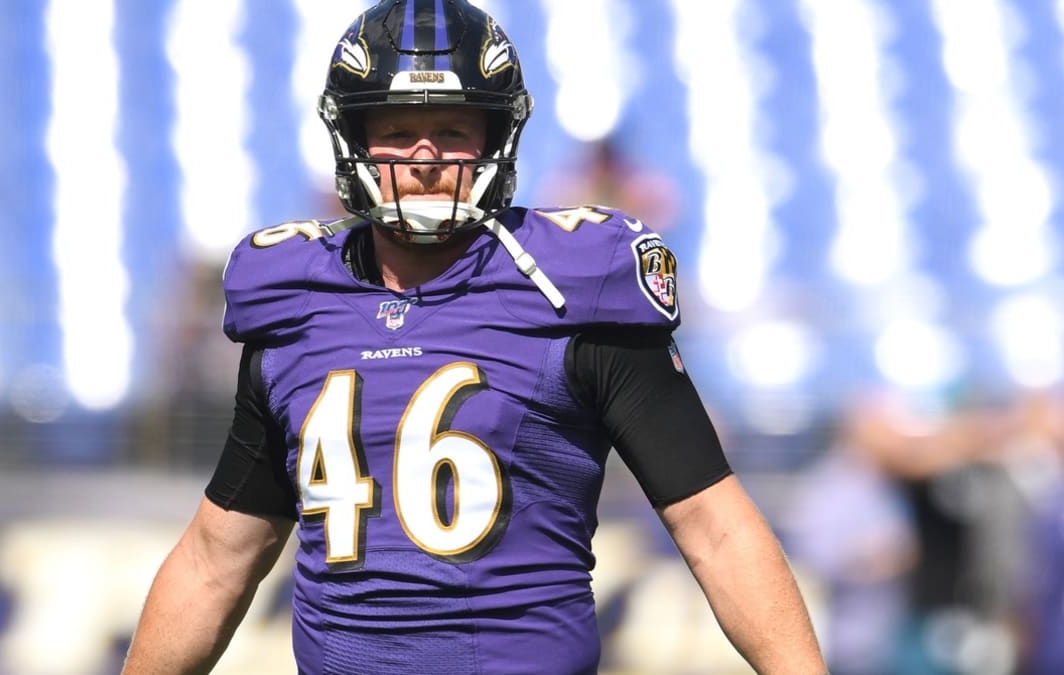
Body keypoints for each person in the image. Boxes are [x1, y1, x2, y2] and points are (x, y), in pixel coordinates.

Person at [122, 2, 826, 673]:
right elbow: (219, 556)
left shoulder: (571, 290)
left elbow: (713, 523)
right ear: (354, 138)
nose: (426, 156)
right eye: (398, 130)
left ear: (497, 139)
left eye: (454, 131)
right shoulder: (297, 305)